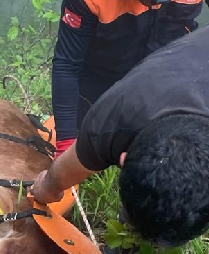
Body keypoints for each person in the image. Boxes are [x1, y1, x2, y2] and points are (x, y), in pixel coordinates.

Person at [32, 25, 209, 254]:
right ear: (123, 159)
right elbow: (62, 172)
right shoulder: (114, 117)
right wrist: (45, 189)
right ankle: (132, 232)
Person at [52, 0, 206, 158]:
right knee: (88, 146)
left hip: (166, 74)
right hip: (98, 77)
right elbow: (67, 65)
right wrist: (65, 143)